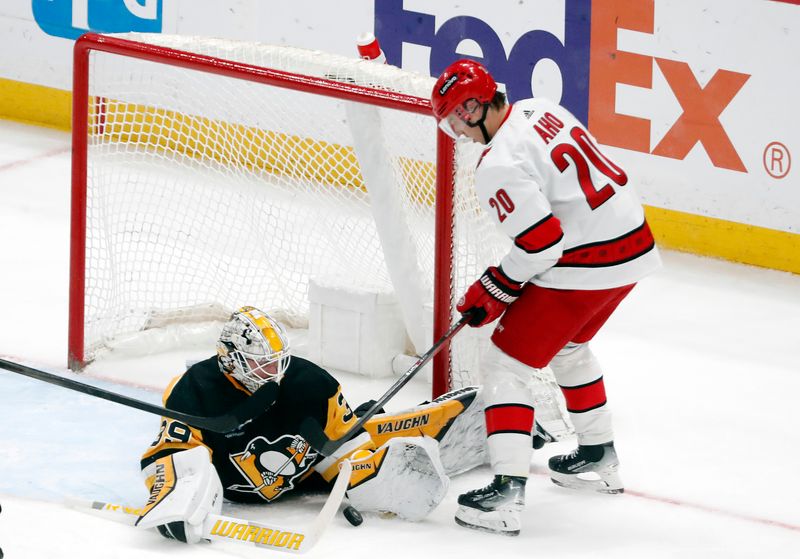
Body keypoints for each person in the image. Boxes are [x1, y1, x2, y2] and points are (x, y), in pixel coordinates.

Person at [430, 59, 662, 536]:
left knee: (505, 364)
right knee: (569, 346)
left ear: (475, 107)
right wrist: (505, 284)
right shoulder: (537, 108)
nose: (457, 129)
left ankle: (506, 495)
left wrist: (494, 287)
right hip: (633, 246)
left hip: (589, 261)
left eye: (456, 117)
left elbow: (542, 243)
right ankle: (598, 456)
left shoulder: (495, 165)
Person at [137, 305, 487, 542]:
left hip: (308, 475)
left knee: (373, 431)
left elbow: (344, 449)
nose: (274, 373)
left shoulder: (312, 385)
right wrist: (175, 500)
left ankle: (469, 419)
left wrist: (367, 478)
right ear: (231, 358)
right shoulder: (193, 389)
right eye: (262, 365)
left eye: (278, 362)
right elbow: (173, 454)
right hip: (229, 485)